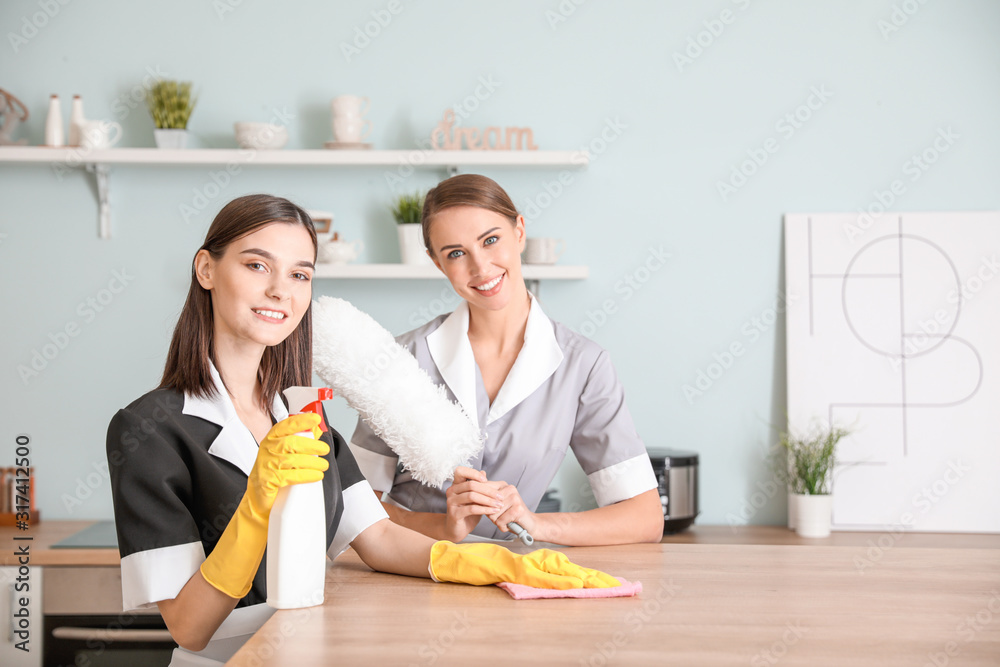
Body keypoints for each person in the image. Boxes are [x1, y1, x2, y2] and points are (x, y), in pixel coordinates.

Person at [106, 194, 618, 667]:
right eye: (257, 264)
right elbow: (190, 626)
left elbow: (377, 538)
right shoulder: (150, 430)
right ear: (206, 269)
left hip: (315, 650)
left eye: (300, 275)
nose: (280, 291)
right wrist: (256, 504)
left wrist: (495, 564)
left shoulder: (303, 417)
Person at [349, 175, 664, 546]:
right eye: (455, 253)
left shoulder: (583, 365)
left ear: (519, 232)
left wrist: (537, 524)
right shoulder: (402, 359)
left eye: (491, 240)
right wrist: (443, 529)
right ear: (437, 263)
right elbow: (354, 506)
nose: (480, 267)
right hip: (408, 570)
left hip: (508, 576)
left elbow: (645, 518)